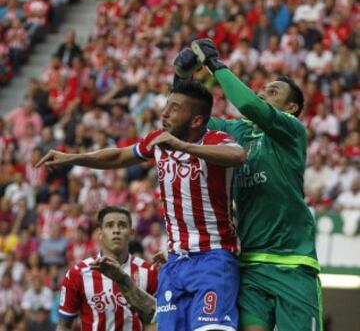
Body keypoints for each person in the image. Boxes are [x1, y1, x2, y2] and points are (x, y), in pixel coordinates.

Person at [37, 81, 247, 331]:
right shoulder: (157, 141)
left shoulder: (216, 140)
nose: (164, 113)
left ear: (195, 121)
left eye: (174, 108)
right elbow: (118, 155)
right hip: (174, 263)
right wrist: (73, 158)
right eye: (167, 105)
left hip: (213, 257)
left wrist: (182, 146)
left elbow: (238, 155)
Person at [173, 39, 322, 331]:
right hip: (251, 262)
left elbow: (248, 104)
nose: (263, 93)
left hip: (294, 262)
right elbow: (187, 121)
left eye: (273, 91)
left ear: (291, 107)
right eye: (262, 89)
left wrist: (215, 64)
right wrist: (181, 78)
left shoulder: (291, 131)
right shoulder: (237, 131)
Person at [56, 206, 158, 331]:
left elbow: (154, 320)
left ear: (131, 233)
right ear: (100, 233)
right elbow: (64, 325)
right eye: (110, 226)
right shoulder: (77, 274)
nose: (116, 230)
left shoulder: (149, 272)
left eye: (122, 225)